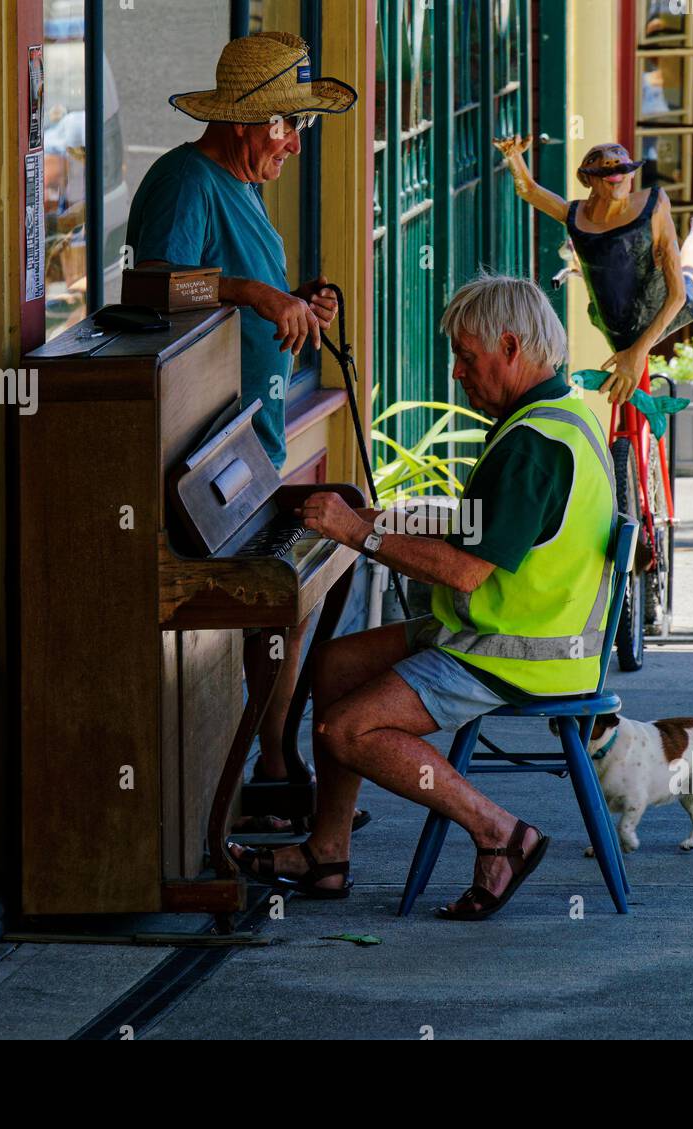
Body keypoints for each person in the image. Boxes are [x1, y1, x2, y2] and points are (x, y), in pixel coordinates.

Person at [229, 275, 616, 920]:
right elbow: (487, 532)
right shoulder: (561, 413)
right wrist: (388, 519)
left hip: (515, 651)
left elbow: (465, 573)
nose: (459, 373)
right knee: (333, 665)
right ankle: (327, 854)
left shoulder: (534, 445)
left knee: (343, 728)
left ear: (513, 346)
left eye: (468, 357)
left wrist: (359, 531)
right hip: (497, 630)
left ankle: (498, 832)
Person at [125, 31, 360, 819]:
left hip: (249, 449)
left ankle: (274, 758)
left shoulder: (243, 184)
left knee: (293, 597)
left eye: (298, 127)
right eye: (284, 126)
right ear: (240, 122)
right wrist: (258, 297)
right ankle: (271, 764)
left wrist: (298, 300)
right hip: (202, 461)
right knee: (273, 602)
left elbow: (234, 285)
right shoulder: (185, 179)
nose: (293, 143)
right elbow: (153, 288)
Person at [494, 136, 693, 405]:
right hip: (615, 320)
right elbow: (529, 190)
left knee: (687, 274)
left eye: (621, 167)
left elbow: (677, 297)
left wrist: (637, 352)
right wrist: (513, 156)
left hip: (659, 305)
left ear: (632, 174)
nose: (614, 172)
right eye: (604, 169)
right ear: (588, 179)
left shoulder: (653, 205)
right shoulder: (575, 215)